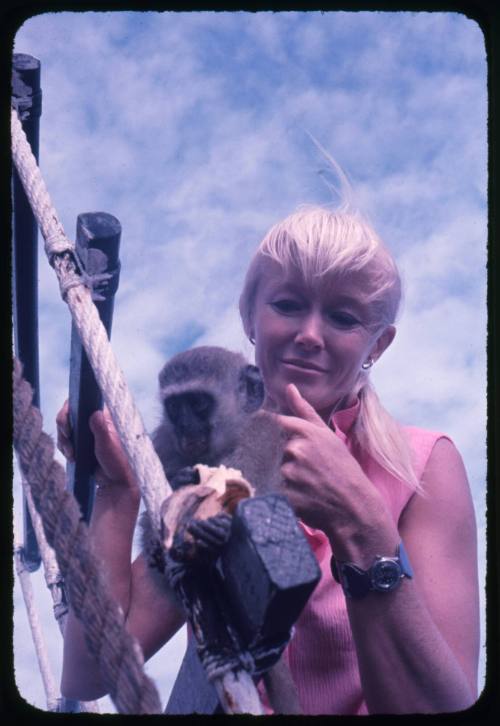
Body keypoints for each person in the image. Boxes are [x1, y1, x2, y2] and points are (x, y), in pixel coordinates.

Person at [57, 204, 480, 714]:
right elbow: (89, 672)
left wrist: (359, 523)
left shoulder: (420, 466)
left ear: (379, 344)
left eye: (343, 317)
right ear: (250, 318)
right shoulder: (220, 477)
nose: (309, 333)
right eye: (287, 304)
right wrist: (118, 492)